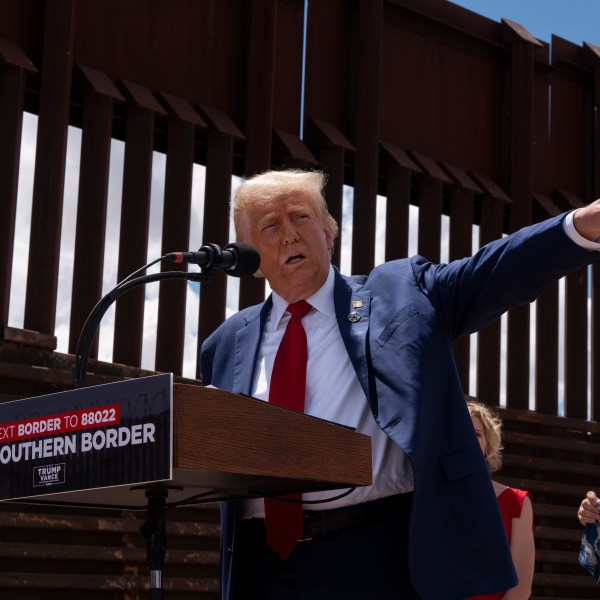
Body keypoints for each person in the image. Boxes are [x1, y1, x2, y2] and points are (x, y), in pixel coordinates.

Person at [200, 168, 600, 600]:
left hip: (374, 552)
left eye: (300, 218)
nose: (289, 235)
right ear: (250, 256)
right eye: (270, 226)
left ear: (329, 233)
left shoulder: (401, 296)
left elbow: (493, 271)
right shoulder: (225, 344)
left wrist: (579, 227)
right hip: (262, 567)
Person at [467, 400, 535, 599]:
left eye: (477, 434)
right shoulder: (428, 497)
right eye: (461, 431)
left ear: (487, 445)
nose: (468, 438)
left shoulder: (517, 502)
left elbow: (520, 588)